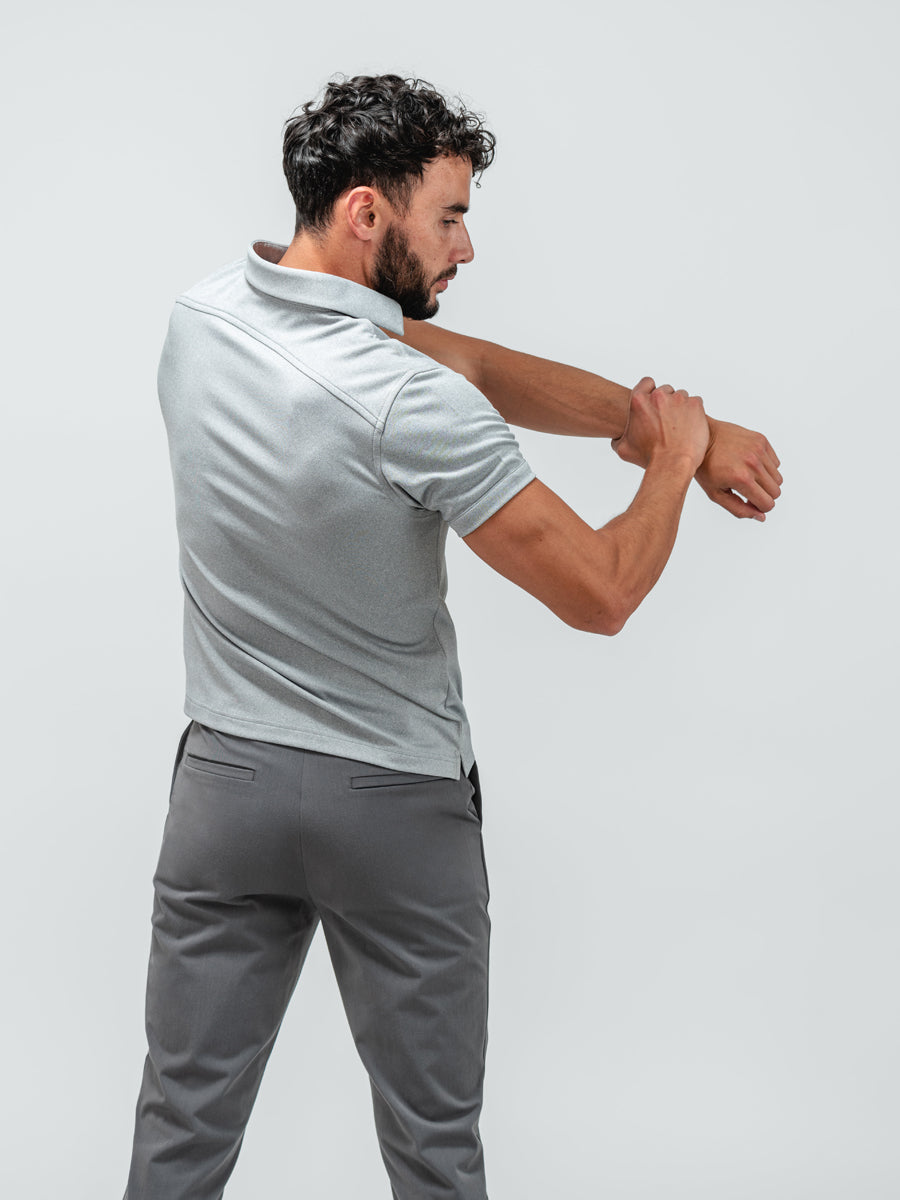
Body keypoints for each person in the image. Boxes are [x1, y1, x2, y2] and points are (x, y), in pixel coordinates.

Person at [123, 73, 782, 1200]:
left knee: (180, 1131)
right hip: (392, 813)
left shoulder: (202, 322)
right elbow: (603, 591)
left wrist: (688, 423)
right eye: (452, 215)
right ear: (368, 214)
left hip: (222, 797)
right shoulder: (408, 408)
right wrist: (674, 459)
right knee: (435, 1151)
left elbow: (465, 361)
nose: (467, 247)